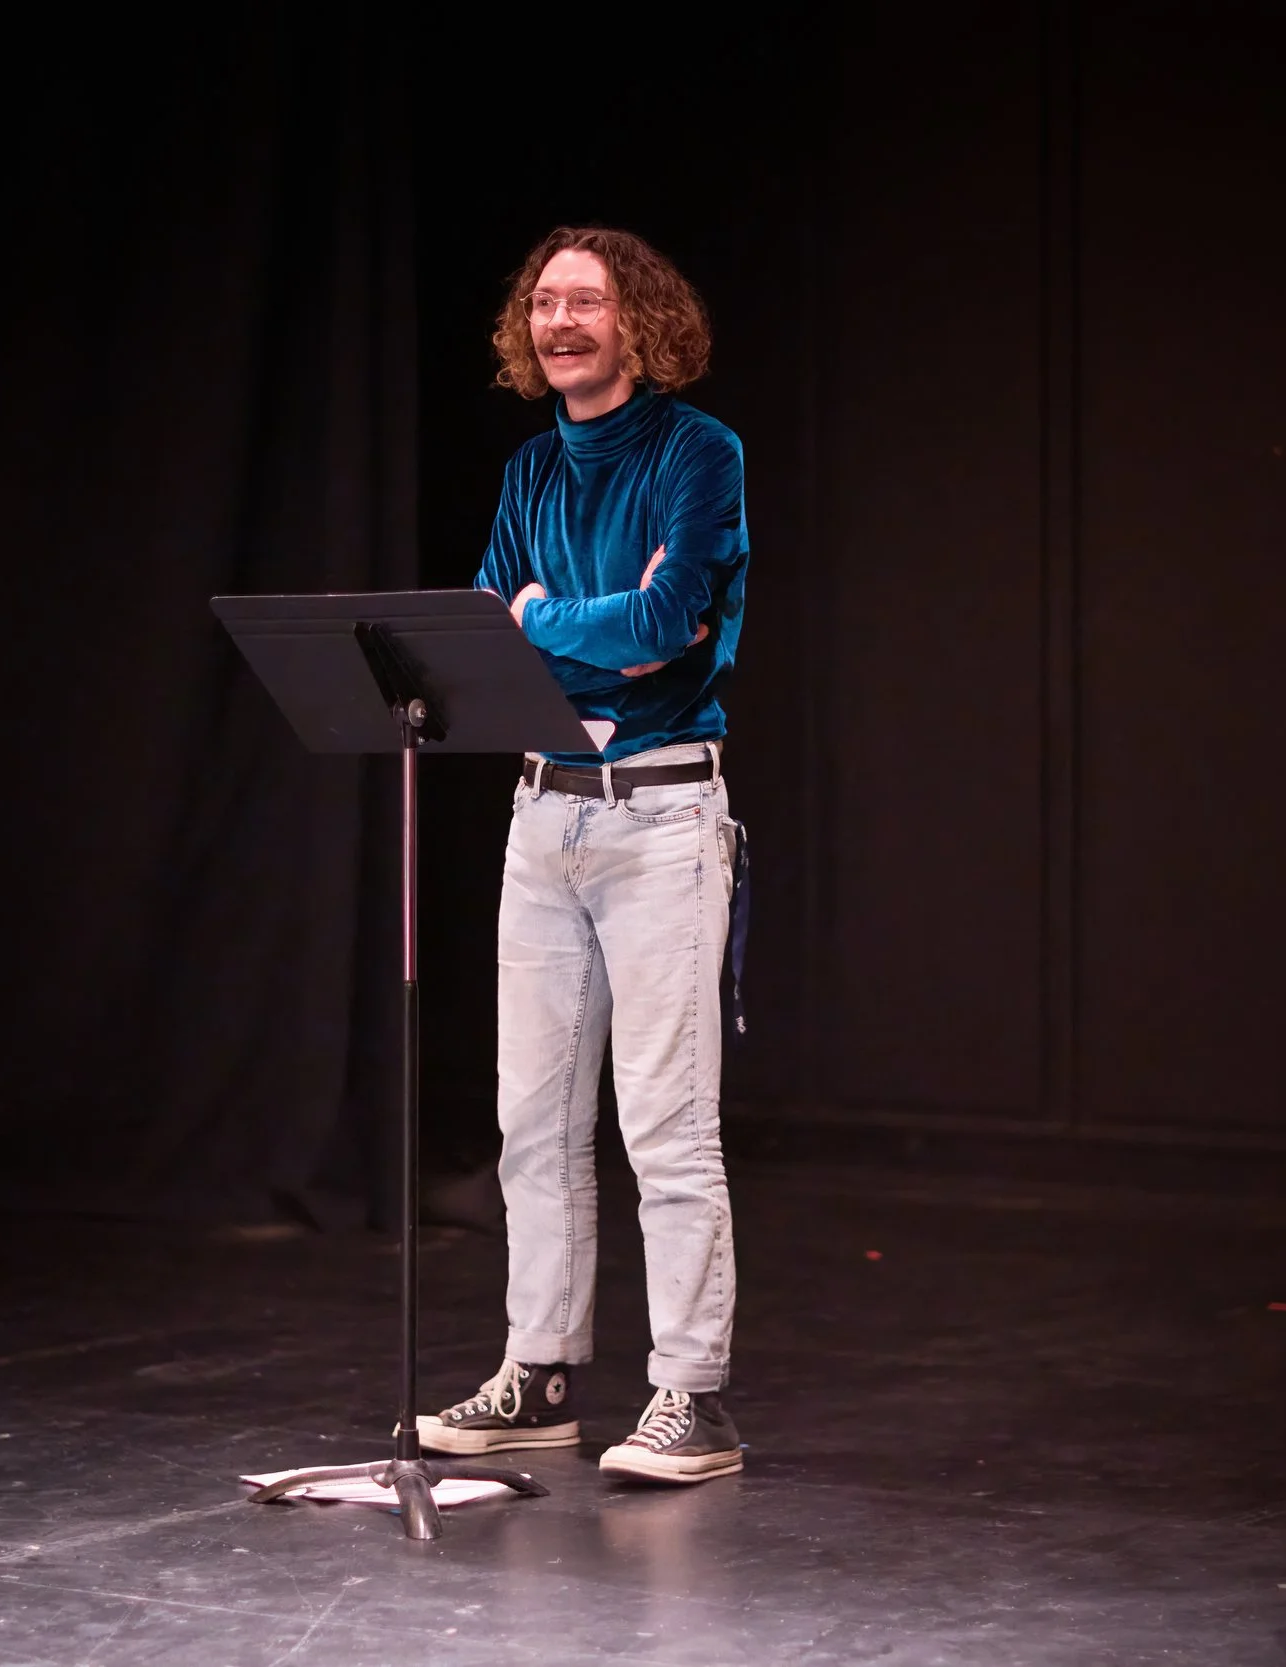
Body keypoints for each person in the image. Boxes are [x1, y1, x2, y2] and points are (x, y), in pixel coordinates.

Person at [416, 227, 748, 1484]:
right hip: (542, 813)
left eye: (586, 303)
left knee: (665, 1124)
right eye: (544, 303)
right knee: (532, 1122)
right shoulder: (528, 468)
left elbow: (666, 622)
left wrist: (543, 616)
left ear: (637, 324)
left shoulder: (698, 453)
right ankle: (539, 1370)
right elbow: (482, 637)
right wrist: (567, 627)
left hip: (661, 816)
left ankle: (690, 1396)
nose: (559, 322)